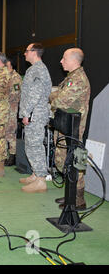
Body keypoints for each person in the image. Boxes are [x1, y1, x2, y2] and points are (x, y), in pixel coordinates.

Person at [50, 48, 90, 209]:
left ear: (73, 60)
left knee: (73, 160)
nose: (61, 61)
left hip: (73, 129)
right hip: (65, 126)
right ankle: (70, 193)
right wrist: (55, 97)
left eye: (64, 58)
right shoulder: (71, 78)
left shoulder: (78, 79)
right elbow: (58, 96)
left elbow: (59, 100)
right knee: (63, 161)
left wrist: (54, 97)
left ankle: (78, 199)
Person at [18, 43, 52, 193]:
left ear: (34, 52)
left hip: (35, 114)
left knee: (35, 145)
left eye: (26, 51)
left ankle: (41, 180)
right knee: (30, 144)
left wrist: (27, 113)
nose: (24, 54)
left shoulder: (38, 69)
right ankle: (35, 173)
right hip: (33, 113)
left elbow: (35, 94)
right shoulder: (33, 69)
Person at [4, 58, 22, 166]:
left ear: (11, 66)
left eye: (7, 65)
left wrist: (2, 97)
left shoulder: (16, 78)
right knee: (5, 132)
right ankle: (6, 154)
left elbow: (16, 94)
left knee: (10, 133)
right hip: (4, 109)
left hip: (11, 108)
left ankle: (13, 155)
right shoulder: (6, 77)